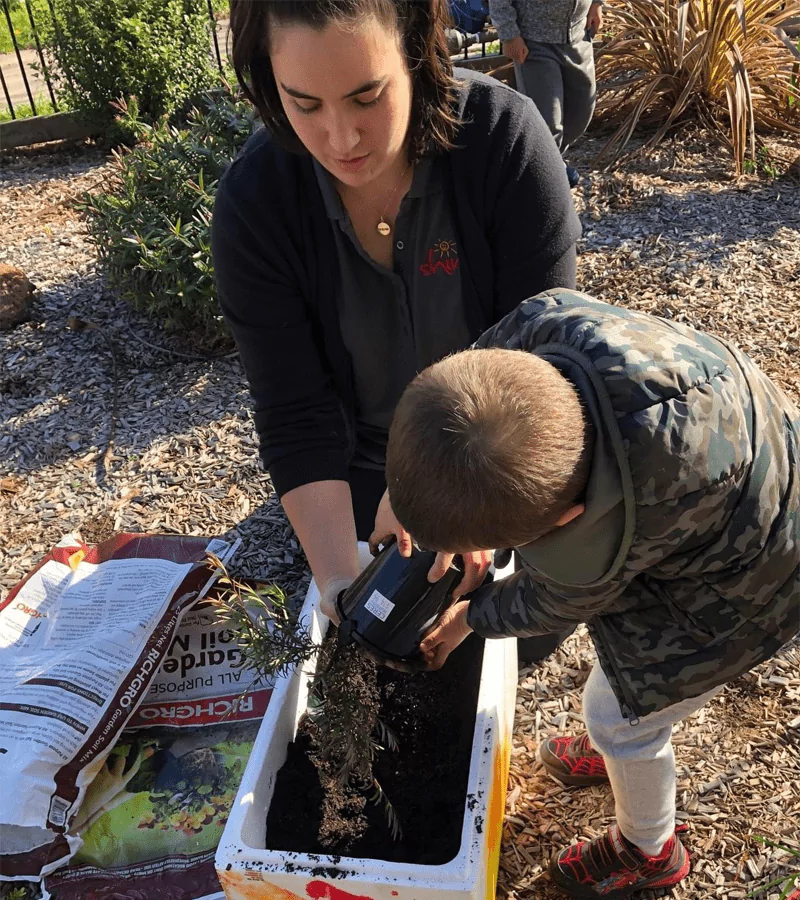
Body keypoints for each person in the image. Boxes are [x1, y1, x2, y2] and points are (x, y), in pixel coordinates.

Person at [380, 289, 800, 898]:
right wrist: (409, 494)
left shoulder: (602, 547)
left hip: (759, 579)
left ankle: (649, 849)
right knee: (620, 696)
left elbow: (552, 601)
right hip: (757, 434)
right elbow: (469, 379)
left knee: (620, 719)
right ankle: (615, 755)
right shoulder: (545, 326)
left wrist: (470, 616)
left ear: (570, 518)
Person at [212, 0, 582, 661]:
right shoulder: (256, 204)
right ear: (270, 84)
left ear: (416, 47)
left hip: (500, 450)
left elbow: (545, 371)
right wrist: (335, 578)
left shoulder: (505, 144)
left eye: (366, 97)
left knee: (500, 640)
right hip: (357, 476)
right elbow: (297, 413)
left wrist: (450, 498)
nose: (342, 139)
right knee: (373, 639)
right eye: (305, 104)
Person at [489, 0, 602, 186]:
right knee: (547, 121)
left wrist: (597, 3)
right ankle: (544, 181)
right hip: (534, 41)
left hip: (579, 36)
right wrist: (509, 35)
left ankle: (549, 161)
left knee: (582, 110)